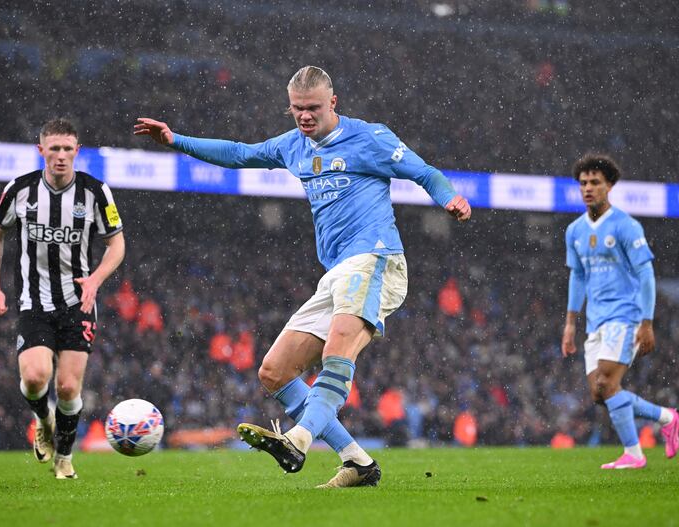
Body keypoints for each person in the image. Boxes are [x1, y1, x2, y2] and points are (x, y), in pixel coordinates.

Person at [135, 66, 471, 488]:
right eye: (297, 109)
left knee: (338, 350)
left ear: (334, 103)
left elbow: (424, 172)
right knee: (274, 372)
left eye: (313, 108)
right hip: (335, 275)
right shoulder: (293, 146)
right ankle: (359, 463)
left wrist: (449, 198)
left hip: (375, 259)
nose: (305, 117)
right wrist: (174, 140)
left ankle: (297, 439)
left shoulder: (370, 138)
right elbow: (239, 154)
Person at [0, 118, 125, 479]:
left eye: (67, 149)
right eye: (54, 148)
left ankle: (64, 457)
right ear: (41, 149)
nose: (61, 156)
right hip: (34, 301)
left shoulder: (95, 192)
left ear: (77, 151)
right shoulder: (20, 190)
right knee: (35, 378)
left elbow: (116, 244)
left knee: (66, 386)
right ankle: (43, 418)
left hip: (79, 302)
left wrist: (96, 278)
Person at [561, 154, 679, 469]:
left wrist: (646, 322)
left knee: (605, 384)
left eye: (595, 182)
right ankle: (666, 417)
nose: (588, 188)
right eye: (583, 183)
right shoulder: (574, 231)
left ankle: (635, 455)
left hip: (625, 316)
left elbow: (646, 275)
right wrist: (571, 323)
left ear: (609, 186)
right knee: (600, 394)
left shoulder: (626, 226)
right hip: (595, 321)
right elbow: (578, 276)